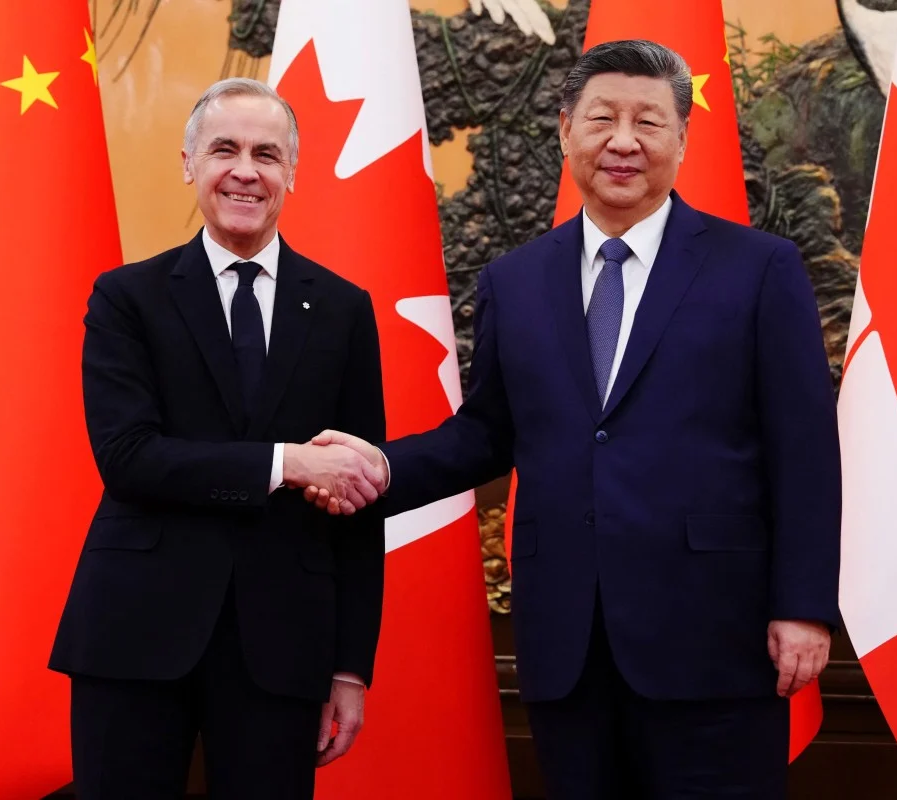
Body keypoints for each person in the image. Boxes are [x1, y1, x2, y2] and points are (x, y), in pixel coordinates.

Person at [307, 40, 841, 798]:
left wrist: (804, 608)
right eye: (601, 119)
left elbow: (805, 451)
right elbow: (486, 433)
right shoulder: (515, 280)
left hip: (714, 639)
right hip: (568, 643)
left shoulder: (759, 269)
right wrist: (380, 467)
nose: (623, 141)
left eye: (648, 122)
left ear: (683, 139)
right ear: (566, 131)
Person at [48, 78, 387, 800]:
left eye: (267, 154)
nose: (245, 171)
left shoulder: (343, 309)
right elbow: (128, 458)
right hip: (135, 632)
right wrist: (287, 464)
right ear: (189, 164)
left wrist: (350, 667)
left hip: (283, 642)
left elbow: (359, 497)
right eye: (224, 149)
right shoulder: (126, 298)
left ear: (292, 173)